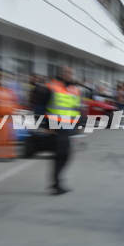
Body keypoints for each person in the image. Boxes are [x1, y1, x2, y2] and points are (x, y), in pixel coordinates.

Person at [46, 66, 81, 195]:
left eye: (71, 73)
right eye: (66, 72)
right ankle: (56, 184)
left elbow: (76, 108)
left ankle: (57, 183)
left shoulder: (74, 89)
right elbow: (44, 106)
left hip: (69, 126)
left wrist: (79, 125)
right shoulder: (52, 87)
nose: (69, 75)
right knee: (61, 155)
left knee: (66, 155)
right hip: (57, 126)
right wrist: (48, 126)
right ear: (60, 73)